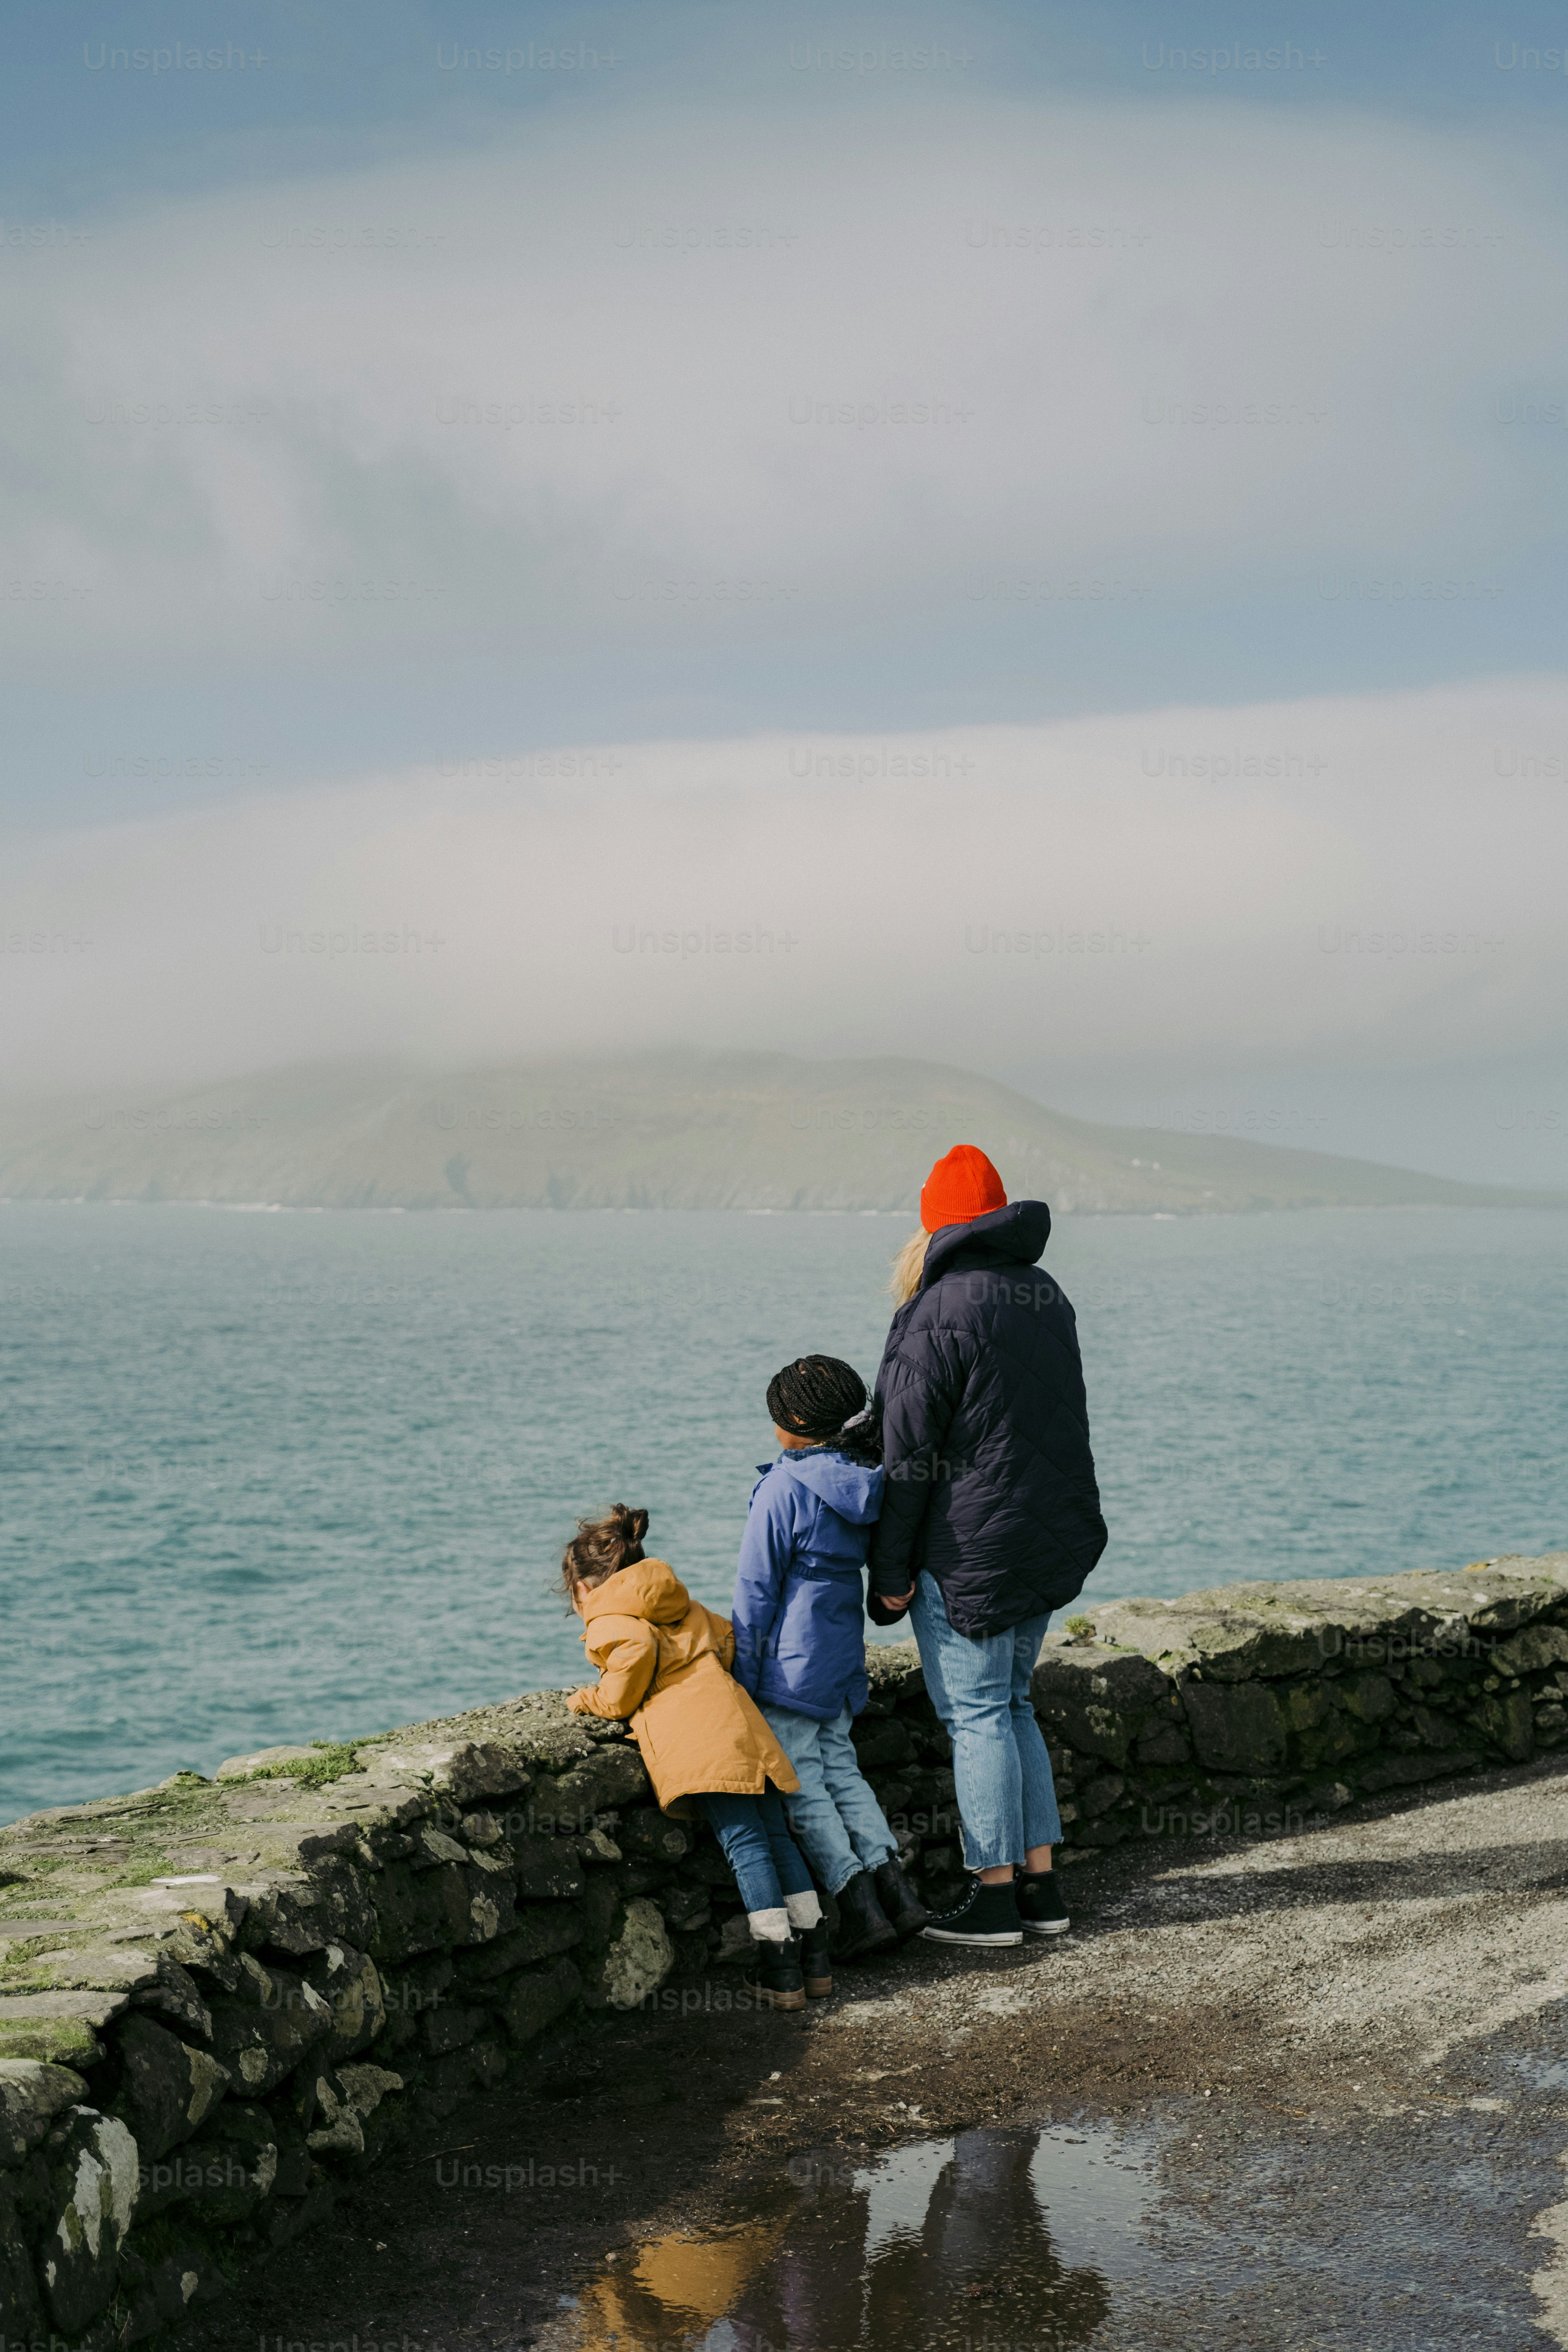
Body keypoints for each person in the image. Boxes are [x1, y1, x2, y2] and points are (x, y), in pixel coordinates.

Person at [869, 1145, 1107, 1949]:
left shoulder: (935, 1310)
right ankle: (1042, 1890)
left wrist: (891, 1571)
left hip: (966, 1549)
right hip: (1041, 1541)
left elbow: (906, 1457)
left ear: (935, 1225)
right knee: (1011, 1707)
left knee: (975, 1717)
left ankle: (994, 1898)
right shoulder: (1047, 1295)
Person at [563, 1502, 822, 2011]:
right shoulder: (681, 1604)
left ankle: (780, 1969)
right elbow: (729, 1640)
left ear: (581, 1590)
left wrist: (583, 1699)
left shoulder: (613, 1620)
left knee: (746, 1845)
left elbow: (623, 1685)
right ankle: (813, 1960)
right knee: (777, 1837)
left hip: (703, 1744)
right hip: (744, 1729)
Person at [730, 1354, 930, 1985]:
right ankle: (898, 1897)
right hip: (843, 1654)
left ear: (793, 1422)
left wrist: (743, 1670)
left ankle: (857, 1908)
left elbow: (756, 1590)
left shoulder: (784, 1489)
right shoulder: (866, 1480)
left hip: (790, 1664)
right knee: (843, 1773)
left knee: (803, 1787)